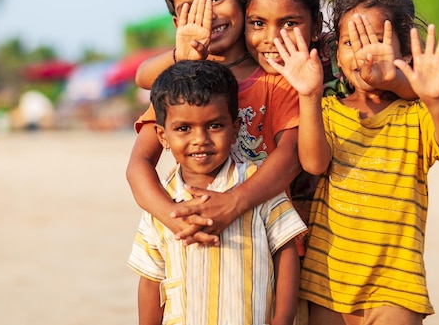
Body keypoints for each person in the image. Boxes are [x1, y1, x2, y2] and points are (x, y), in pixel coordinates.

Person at [268, 0, 439, 324]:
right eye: (349, 42)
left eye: (376, 40)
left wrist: (435, 98)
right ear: (336, 56)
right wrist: (310, 94)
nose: (362, 53)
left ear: (404, 50)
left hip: (397, 284)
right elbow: (314, 163)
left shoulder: (415, 114)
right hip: (327, 281)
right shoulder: (327, 110)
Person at [126, 0, 302, 249]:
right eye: (190, 9)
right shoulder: (183, 85)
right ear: (177, 24)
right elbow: (138, 163)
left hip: (268, 243)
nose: (208, 15)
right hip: (195, 240)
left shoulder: (277, 76)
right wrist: (174, 218)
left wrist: (233, 203)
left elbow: (291, 157)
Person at [128, 60, 308, 325]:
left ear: (235, 129)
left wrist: (282, 318)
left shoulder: (257, 185)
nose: (200, 138)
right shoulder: (162, 201)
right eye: (183, 129)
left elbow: (286, 248)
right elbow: (151, 276)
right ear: (162, 136)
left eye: (214, 126)